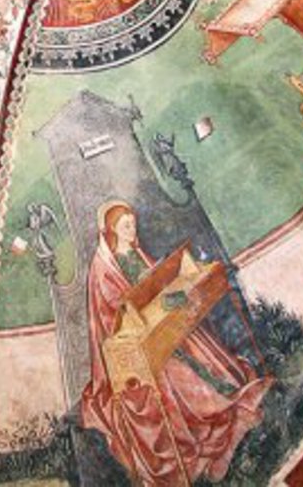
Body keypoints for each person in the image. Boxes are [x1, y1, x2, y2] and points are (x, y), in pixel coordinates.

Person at [81, 201, 271, 486]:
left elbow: (152, 286)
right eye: (126, 226)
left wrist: (167, 293)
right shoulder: (103, 268)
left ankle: (221, 405)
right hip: (136, 343)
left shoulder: (134, 253)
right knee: (174, 374)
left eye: (133, 223)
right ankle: (204, 425)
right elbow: (113, 314)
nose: (132, 230)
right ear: (112, 230)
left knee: (197, 346)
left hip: (161, 326)